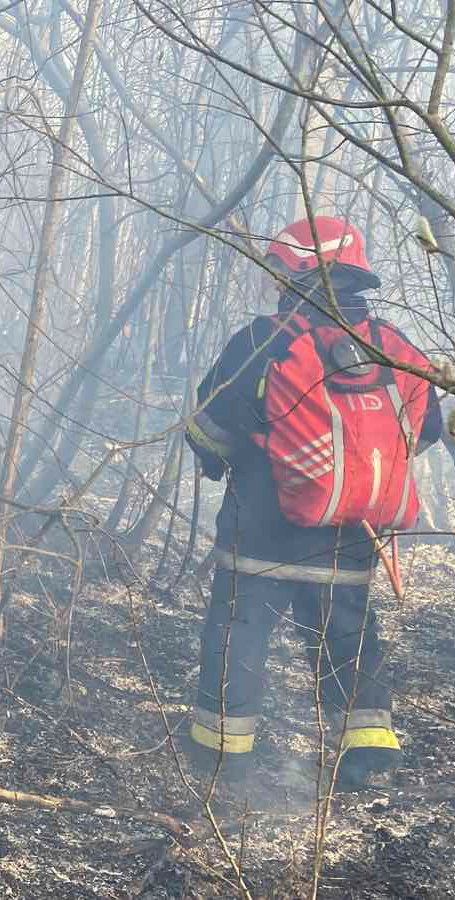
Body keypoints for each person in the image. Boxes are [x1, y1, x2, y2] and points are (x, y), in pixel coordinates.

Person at [183, 216, 447, 792]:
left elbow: (207, 428)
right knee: (349, 637)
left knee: (239, 636)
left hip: (260, 533)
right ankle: (369, 752)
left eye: (279, 268)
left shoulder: (263, 341)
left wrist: (233, 458)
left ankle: (223, 760)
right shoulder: (393, 346)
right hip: (352, 536)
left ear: (302, 270)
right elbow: (424, 432)